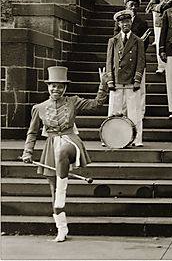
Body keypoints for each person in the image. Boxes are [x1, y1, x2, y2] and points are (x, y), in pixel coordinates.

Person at [21, 66, 108, 242]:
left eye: (60, 86)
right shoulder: (39, 108)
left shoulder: (73, 101)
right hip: (50, 146)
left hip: (70, 141)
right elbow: (32, 133)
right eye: (53, 85)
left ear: (65, 88)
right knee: (53, 189)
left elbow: (96, 104)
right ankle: (61, 227)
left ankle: (61, 196)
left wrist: (103, 85)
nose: (56, 89)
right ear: (48, 87)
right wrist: (27, 152)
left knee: (62, 154)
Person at [113, 0, 150, 146]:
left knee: (135, 107)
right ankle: (113, 136)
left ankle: (136, 138)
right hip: (119, 75)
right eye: (130, 4)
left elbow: (142, 50)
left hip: (134, 71)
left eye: (135, 5)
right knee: (116, 107)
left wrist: (137, 75)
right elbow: (113, 54)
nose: (125, 24)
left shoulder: (141, 26)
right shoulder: (114, 37)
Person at [106, 9, 146, 146]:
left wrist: (137, 79)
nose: (125, 24)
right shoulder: (113, 41)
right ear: (118, 24)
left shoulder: (138, 41)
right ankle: (110, 137)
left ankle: (136, 139)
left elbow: (141, 62)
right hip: (116, 80)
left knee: (134, 111)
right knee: (114, 110)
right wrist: (110, 80)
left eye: (127, 21)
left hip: (131, 81)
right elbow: (109, 62)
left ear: (131, 23)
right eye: (122, 22)